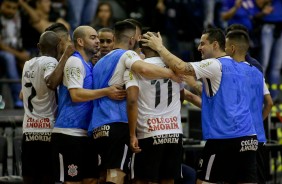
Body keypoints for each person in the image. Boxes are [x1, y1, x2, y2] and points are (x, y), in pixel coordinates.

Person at [142, 28, 258, 183]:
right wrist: (193, 88)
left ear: (215, 45)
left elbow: (181, 67)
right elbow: (219, 102)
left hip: (225, 138)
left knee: (204, 181)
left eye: (203, 43)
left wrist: (159, 47)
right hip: (249, 138)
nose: (198, 48)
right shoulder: (243, 67)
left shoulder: (215, 64)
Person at [88, 21, 178, 184]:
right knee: (116, 175)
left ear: (114, 38)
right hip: (117, 123)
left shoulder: (98, 62)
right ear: (131, 40)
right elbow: (143, 69)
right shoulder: (128, 55)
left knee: (102, 176)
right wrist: (172, 73)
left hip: (97, 126)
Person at [51, 26, 125, 184]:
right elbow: (76, 95)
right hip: (69, 133)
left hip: (86, 134)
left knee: (91, 180)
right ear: (80, 41)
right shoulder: (74, 62)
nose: (98, 41)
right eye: (93, 37)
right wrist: (107, 91)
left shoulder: (89, 65)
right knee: (73, 182)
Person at [125, 32, 184, 184]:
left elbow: (132, 101)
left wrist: (132, 134)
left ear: (141, 48)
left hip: (149, 132)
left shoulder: (135, 68)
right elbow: (181, 95)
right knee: (168, 180)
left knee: (143, 180)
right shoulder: (175, 67)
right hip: (174, 132)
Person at [21, 31, 74, 184]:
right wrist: (65, 56)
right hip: (47, 130)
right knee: (48, 178)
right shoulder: (51, 62)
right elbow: (51, 83)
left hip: (29, 130)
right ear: (59, 46)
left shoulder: (27, 63)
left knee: (30, 177)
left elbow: (22, 94)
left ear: (38, 46)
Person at [225, 30, 270, 184]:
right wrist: (258, 120)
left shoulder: (230, 72)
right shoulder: (256, 71)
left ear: (232, 47)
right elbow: (269, 102)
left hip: (238, 136)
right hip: (258, 136)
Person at [0, 0, 30, 108]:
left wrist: (21, 3)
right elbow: (1, 45)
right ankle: (18, 99)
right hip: (4, 52)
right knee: (9, 58)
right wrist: (19, 55)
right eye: (8, 7)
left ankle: (32, 102)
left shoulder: (18, 16)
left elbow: (37, 18)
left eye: (14, 8)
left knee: (32, 61)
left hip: (17, 49)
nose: (11, 11)